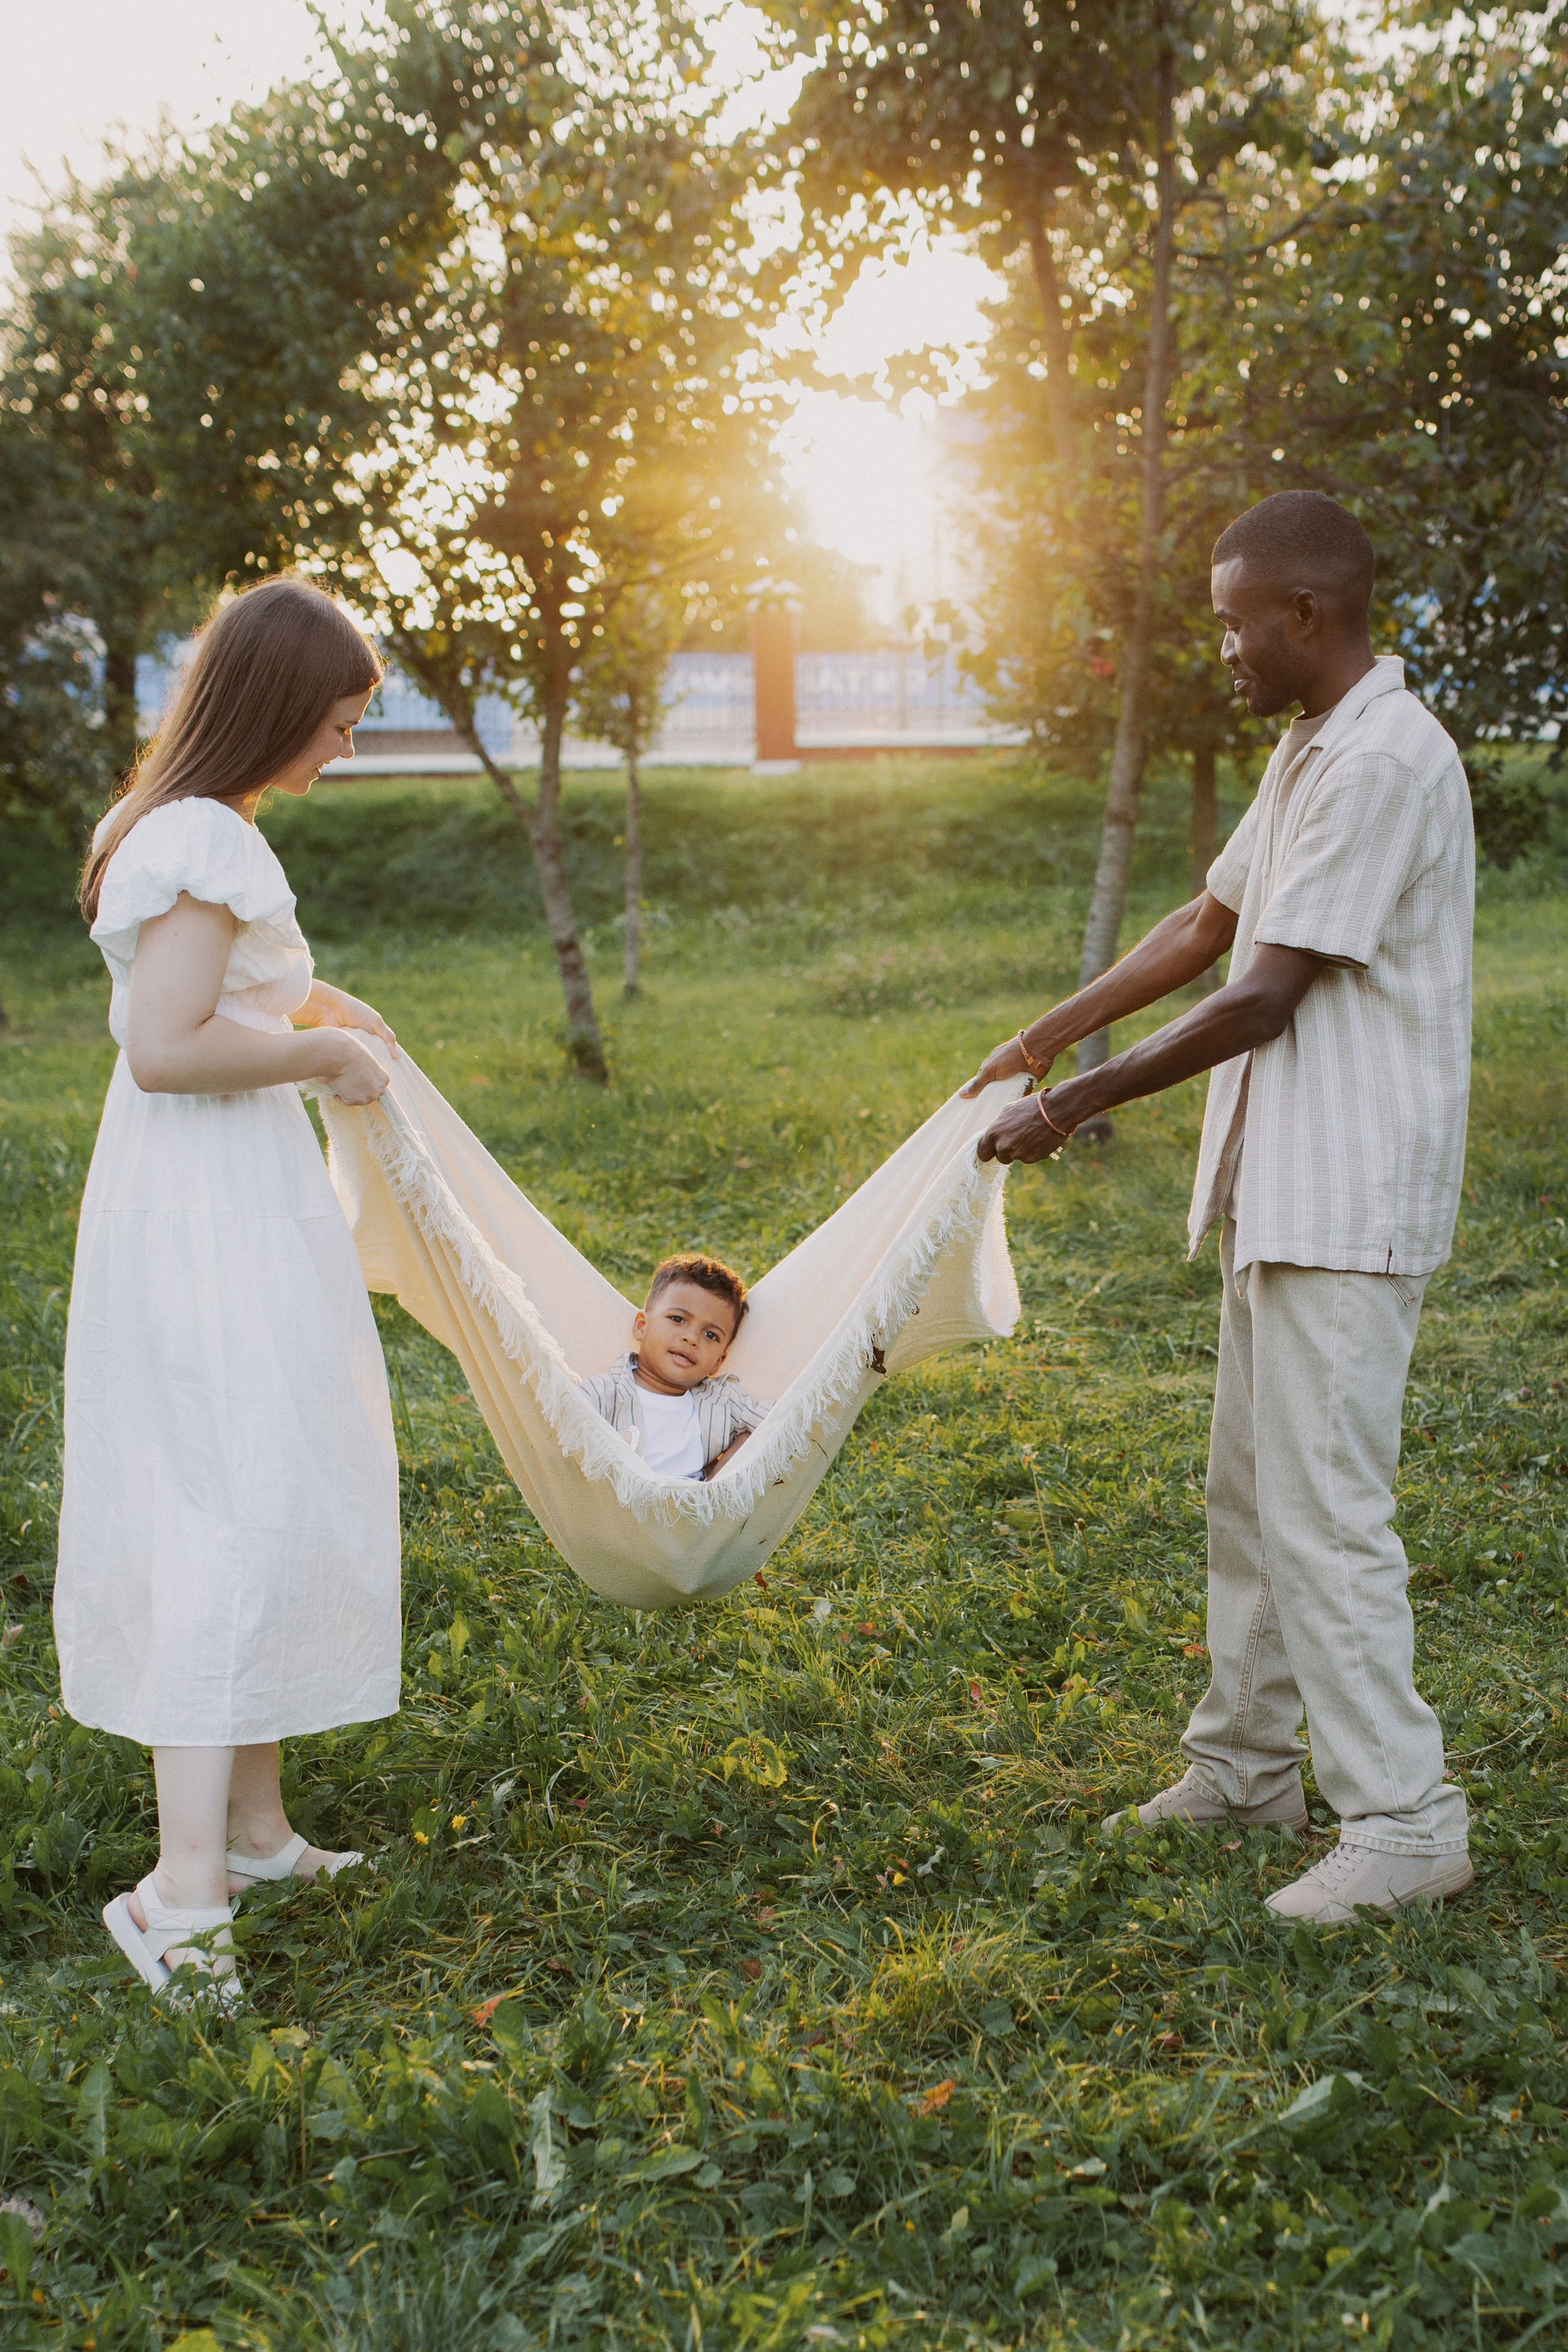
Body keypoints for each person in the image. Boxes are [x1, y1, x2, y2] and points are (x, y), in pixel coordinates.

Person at [965, 489, 1474, 1923]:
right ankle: (1245, 1768)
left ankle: (1404, 1819)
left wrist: (1070, 1106)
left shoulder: (1383, 759)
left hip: (1349, 1193)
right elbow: (1208, 920)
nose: (1224, 650)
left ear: (1303, 612)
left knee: (1325, 1514)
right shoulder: (1309, 743)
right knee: (1249, 1498)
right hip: (1284, 1190)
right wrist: (1041, 1037)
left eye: (1236, 623)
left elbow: (1261, 993)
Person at [60, 577, 404, 2005]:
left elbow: (222, 999)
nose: (345, 749)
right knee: (221, 1513)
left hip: (218, 1194)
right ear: (271, 709)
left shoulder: (199, 825)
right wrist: (320, 1058)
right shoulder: (201, 836)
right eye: (337, 722)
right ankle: (178, 1892)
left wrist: (322, 1007)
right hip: (203, 1205)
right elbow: (167, 1048)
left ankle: (255, 1837)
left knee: (256, 1491)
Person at [581, 1254, 770, 1480]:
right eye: (678, 1319)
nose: (692, 1338)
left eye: (711, 1335)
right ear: (642, 1326)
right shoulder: (603, 1393)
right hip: (614, 1496)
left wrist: (716, 1485)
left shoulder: (723, 1400)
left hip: (694, 1501)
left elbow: (773, 1423)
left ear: (718, 1362)